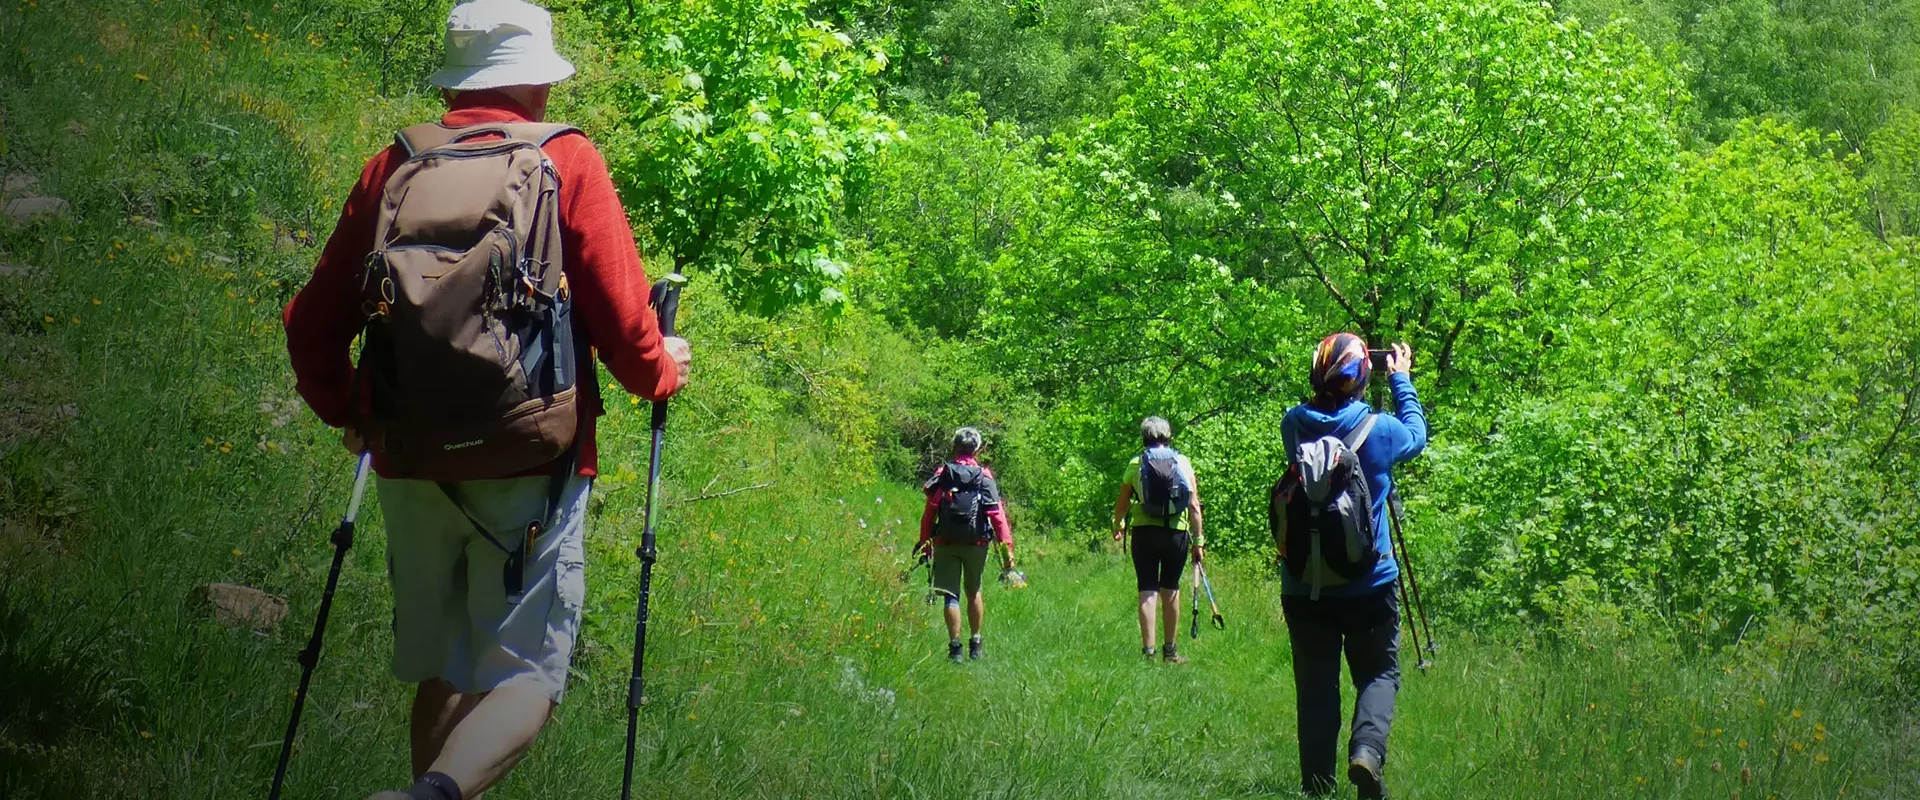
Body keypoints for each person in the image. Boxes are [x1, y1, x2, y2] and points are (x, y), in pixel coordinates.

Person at [283, 2, 691, 798]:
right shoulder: (567, 160)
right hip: (532, 463)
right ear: (537, 77)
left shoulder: (394, 166)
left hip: (410, 460)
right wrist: (665, 368)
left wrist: (354, 414)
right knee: (524, 679)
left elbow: (311, 324)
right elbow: (626, 332)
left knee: (444, 668)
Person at [1277, 335, 1426, 799]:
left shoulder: (1293, 425)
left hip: (1304, 585)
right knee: (1378, 674)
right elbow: (1417, 437)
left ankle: (1317, 787)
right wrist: (1401, 379)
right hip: (1369, 583)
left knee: (1317, 688)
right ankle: (1366, 752)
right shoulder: (1380, 431)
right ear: (1364, 376)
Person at [916, 427, 1017, 662]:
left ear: (954, 447)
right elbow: (997, 516)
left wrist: (925, 544)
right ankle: (976, 643)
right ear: (978, 449)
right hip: (976, 543)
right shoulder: (984, 477)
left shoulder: (943, 474)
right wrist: (1007, 550)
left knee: (951, 596)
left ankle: (955, 649)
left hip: (946, 541)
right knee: (974, 591)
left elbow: (929, 513)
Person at [1111, 416, 1205, 664]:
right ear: (1168, 436)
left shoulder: (1136, 463)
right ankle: (1171, 652)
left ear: (1144, 438)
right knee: (1171, 588)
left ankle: (1148, 653)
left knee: (1147, 588)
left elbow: (1121, 504)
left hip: (1144, 533)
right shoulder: (1182, 462)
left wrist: (1118, 524)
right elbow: (1194, 505)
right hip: (1177, 534)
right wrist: (1199, 541)